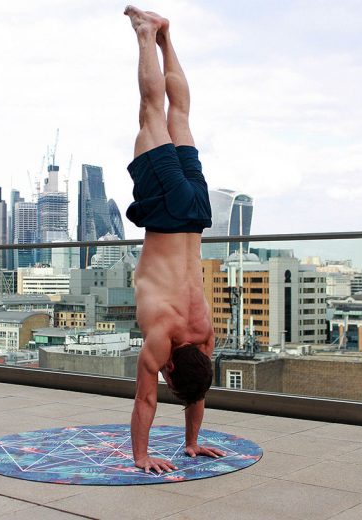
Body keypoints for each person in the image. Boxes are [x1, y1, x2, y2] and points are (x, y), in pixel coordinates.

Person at [124, 5, 226, 474]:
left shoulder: (205, 338)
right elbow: (146, 400)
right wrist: (141, 456)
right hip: (165, 215)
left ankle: (166, 37)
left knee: (181, 116)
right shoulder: (163, 337)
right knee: (153, 113)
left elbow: (198, 388)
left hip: (196, 216)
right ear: (169, 368)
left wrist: (190, 444)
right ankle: (147, 34)